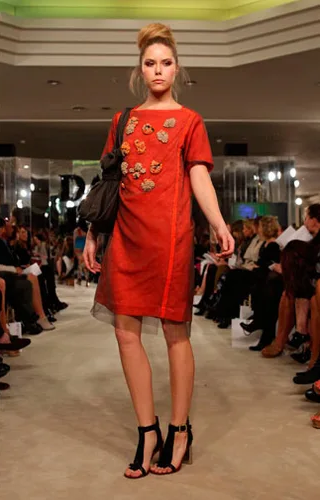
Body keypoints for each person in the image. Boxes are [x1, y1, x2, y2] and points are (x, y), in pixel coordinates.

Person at [83, 23, 233, 479]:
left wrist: (219, 224)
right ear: (140, 70)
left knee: (175, 333)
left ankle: (179, 429)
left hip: (169, 238)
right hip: (125, 236)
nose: (158, 70)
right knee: (124, 332)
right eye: (150, 63)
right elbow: (108, 181)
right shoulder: (122, 120)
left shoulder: (190, 121)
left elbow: (199, 177)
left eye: (166, 63)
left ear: (177, 67)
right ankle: (147, 431)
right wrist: (92, 234)